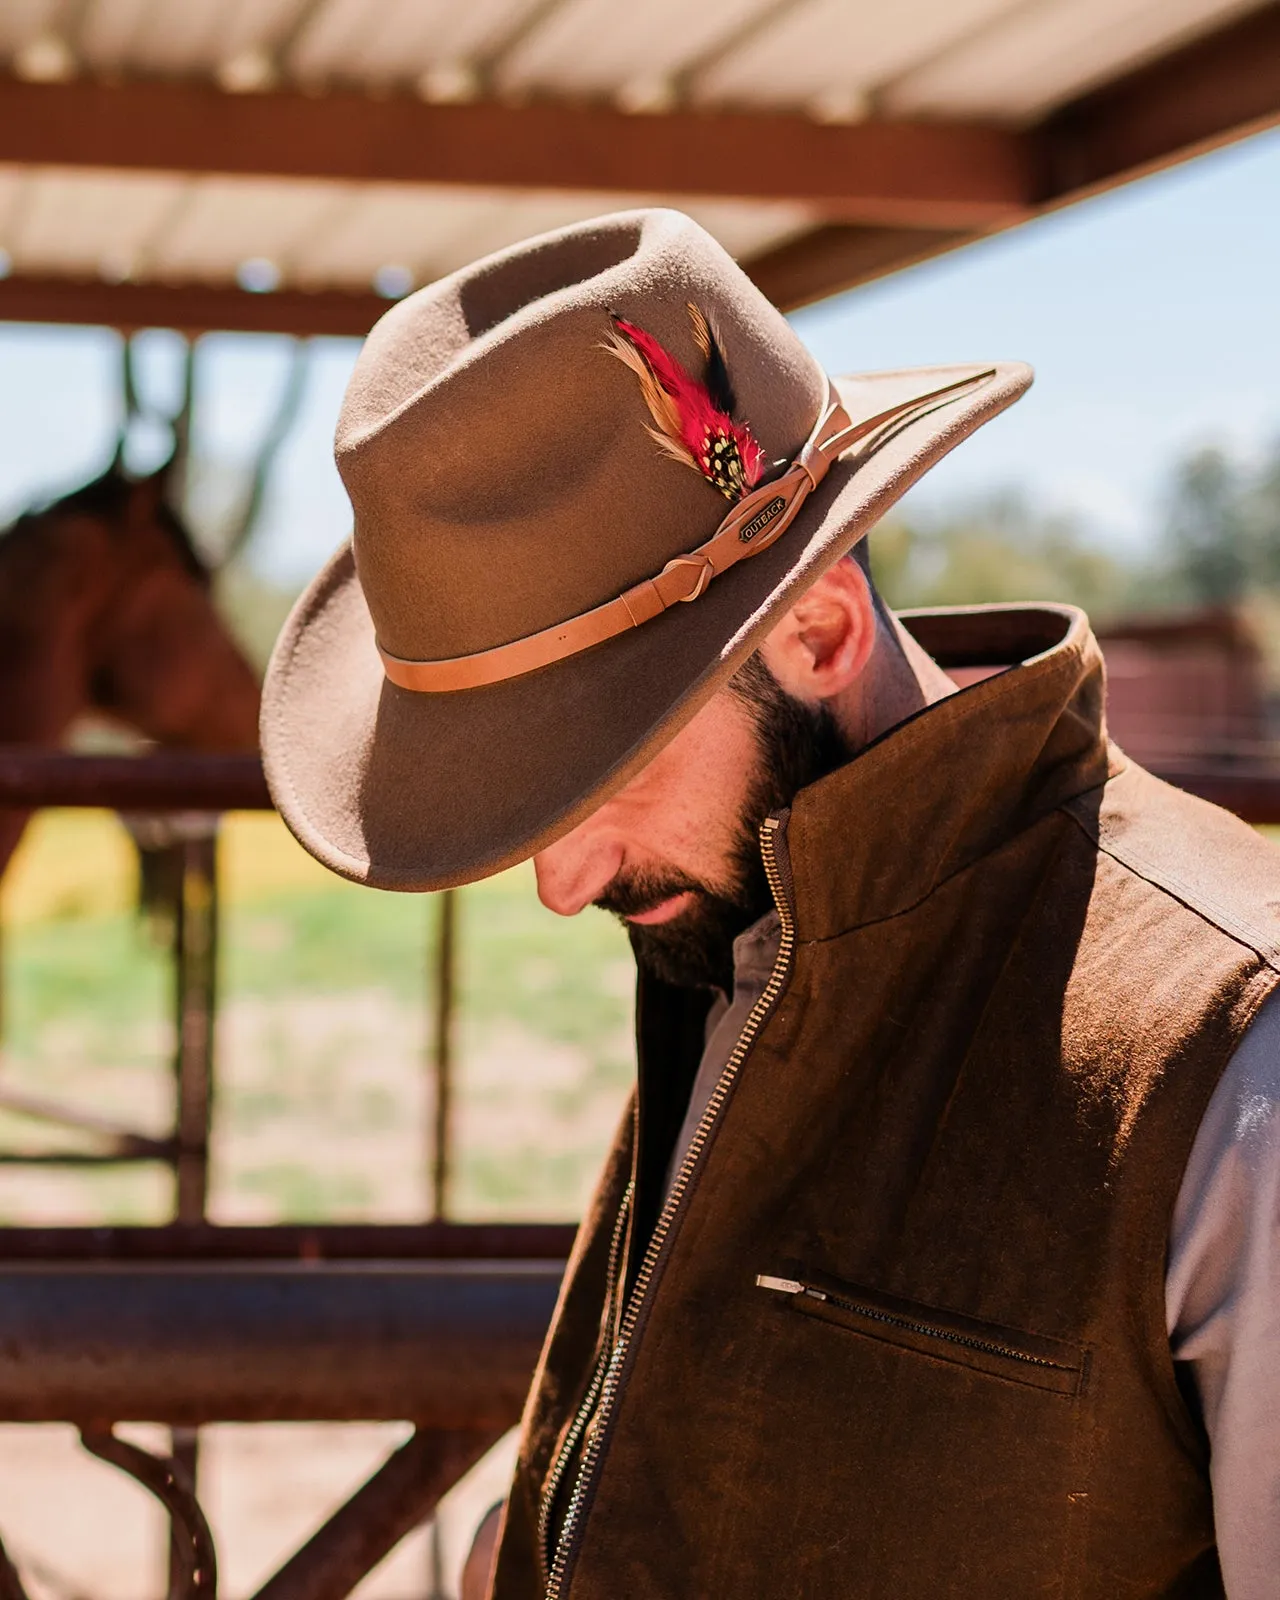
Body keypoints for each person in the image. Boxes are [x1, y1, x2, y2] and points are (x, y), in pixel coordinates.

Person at [261, 210, 1280, 1599]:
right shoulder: (755, 927)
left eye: (598, 772)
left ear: (819, 631)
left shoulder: (1237, 1050)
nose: (560, 885)